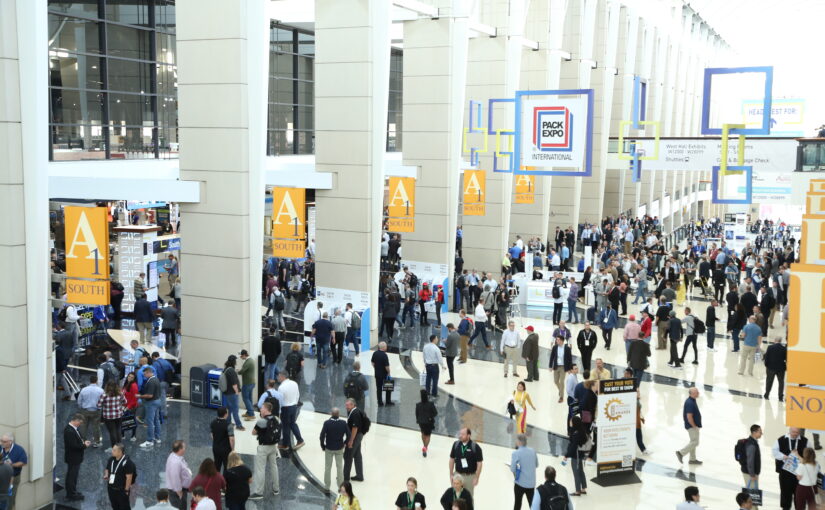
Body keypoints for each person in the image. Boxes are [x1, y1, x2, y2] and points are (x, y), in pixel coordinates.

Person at [772, 427, 807, 510]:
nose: (795, 434)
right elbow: (774, 452)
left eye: (797, 432)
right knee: (785, 492)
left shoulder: (805, 441)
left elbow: (810, 454)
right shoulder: (780, 440)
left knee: (799, 493)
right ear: (789, 431)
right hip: (785, 472)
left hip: (799, 473)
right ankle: (785, 508)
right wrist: (784, 457)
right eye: (793, 432)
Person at [63, 414, 91, 501]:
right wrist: (84, 445)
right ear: (76, 420)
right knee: (72, 476)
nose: (80, 424)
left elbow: (78, 438)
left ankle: (73, 491)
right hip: (73, 458)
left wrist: (84, 440)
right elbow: (74, 446)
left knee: (73, 476)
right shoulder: (69, 431)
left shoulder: (73, 429)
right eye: (80, 423)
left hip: (75, 457)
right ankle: (71, 494)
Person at [448, 428, 483, 496]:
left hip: (469, 476)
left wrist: (477, 477)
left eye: (463, 434)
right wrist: (451, 474)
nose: (460, 436)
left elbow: (479, 463)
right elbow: (452, 459)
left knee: (468, 497)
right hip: (457, 474)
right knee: (455, 495)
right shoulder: (456, 444)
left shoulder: (475, 447)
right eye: (460, 434)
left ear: (469, 435)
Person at [320, 407, 349, 489]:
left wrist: (323, 446)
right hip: (339, 448)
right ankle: (340, 486)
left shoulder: (327, 423)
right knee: (339, 467)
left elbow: (321, 436)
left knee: (328, 467)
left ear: (331, 414)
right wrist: (345, 443)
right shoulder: (343, 423)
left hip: (329, 448)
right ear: (338, 414)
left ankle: (327, 487)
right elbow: (349, 435)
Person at [103, 443, 136, 510]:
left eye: (114, 450)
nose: (112, 451)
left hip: (121, 490)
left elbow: (129, 477)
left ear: (120, 452)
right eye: (112, 450)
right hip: (111, 489)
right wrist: (106, 474)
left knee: (124, 507)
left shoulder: (128, 463)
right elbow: (107, 468)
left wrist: (126, 490)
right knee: (114, 506)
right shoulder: (111, 459)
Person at [277, 372, 305, 450]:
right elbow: (297, 395)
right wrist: (295, 404)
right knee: (293, 424)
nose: (278, 378)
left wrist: (279, 411)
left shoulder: (281, 387)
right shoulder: (294, 383)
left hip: (285, 408)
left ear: (283, 377)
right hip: (294, 406)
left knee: (285, 426)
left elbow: (280, 400)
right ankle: (300, 440)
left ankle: (285, 445)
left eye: (279, 376)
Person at [562, 415, 589, 496]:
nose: (570, 422)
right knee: (581, 471)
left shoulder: (575, 433)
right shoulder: (581, 430)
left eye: (571, 421)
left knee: (576, 472)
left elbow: (573, 446)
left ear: (574, 423)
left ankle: (578, 491)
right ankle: (583, 488)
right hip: (581, 454)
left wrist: (566, 455)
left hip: (576, 455)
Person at [510, 434, 537, 510]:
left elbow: (512, 469)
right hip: (531, 484)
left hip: (520, 484)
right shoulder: (533, 451)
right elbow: (536, 465)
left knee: (517, 504)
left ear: (519, 442)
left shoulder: (516, 453)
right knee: (532, 505)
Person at [675, 387, 702, 465]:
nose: (698, 393)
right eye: (697, 392)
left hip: (693, 425)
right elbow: (689, 416)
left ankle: (692, 459)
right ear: (692, 394)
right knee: (695, 442)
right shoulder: (690, 403)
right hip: (691, 426)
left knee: (693, 441)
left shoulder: (692, 400)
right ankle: (680, 453)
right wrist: (694, 426)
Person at [77, 375, 104, 447]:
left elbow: (79, 401)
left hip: (85, 410)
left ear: (90, 380)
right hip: (96, 411)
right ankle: (96, 442)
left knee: (83, 426)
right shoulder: (101, 390)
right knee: (96, 427)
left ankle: (82, 441)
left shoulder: (84, 389)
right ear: (96, 381)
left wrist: (81, 408)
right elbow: (103, 401)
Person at [0, 434, 26, 510]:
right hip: (3, 474)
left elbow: (23, 462)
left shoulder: (19, 449)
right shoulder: (0, 447)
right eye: (1, 440)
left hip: (14, 477)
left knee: (10, 498)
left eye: (4, 441)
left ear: (10, 442)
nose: (1, 443)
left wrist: (12, 465)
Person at [98, 380, 127, 449]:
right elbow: (125, 401)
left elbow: (99, 405)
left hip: (108, 417)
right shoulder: (120, 394)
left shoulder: (104, 395)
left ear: (107, 387)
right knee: (118, 430)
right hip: (118, 415)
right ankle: (120, 446)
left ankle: (114, 447)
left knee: (112, 432)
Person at [164, 440, 193, 510]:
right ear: (180, 449)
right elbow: (175, 478)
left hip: (178, 490)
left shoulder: (174, 456)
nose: (185, 449)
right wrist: (179, 492)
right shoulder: (175, 462)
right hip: (178, 492)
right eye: (184, 447)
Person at [219, 356, 244, 431]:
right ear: (234, 362)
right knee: (235, 410)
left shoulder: (226, 369)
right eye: (235, 361)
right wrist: (237, 392)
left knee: (228, 409)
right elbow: (234, 384)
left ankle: (228, 423)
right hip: (232, 394)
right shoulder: (231, 371)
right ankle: (239, 425)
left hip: (226, 393)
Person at [740, 424, 762, 502]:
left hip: (750, 472)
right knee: (752, 496)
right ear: (754, 432)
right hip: (750, 473)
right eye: (760, 432)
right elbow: (750, 461)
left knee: (753, 495)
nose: (761, 433)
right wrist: (752, 475)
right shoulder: (751, 444)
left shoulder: (753, 442)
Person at [549, 336, 573, 403]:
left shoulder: (567, 348)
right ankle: (560, 390)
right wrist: (550, 366)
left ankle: (561, 397)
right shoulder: (555, 347)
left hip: (563, 367)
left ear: (562, 341)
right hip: (556, 366)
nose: (557, 341)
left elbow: (570, 359)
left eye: (558, 340)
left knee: (562, 382)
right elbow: (552, 357)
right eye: (556, 340)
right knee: (556, 381)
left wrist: (570, 368)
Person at [210, 407, 234, 474]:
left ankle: (216, 481)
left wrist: (217, 440)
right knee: (227, 466)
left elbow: (212, 435)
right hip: (225, 449)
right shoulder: (229, 425)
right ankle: (225, 482)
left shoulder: (213, 422)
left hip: (216, 448)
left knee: (217, 465)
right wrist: (233, 449)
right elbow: (231, 439)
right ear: (225, 414)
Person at [416, 389, 438, 457]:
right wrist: (430, 417)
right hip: (429, 422)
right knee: (428, 435)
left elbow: (417, 414)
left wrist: (418, 420)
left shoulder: (418, 405)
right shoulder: (431, 404)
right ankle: (425, 447)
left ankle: (424, 446)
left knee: (423, 433)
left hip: (421, 422)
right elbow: (435, 413)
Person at [764, 337, 787, 401]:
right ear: (780, 341)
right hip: (781, 368)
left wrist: (766, 365)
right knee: (781, 382)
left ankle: (767, 395)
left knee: (769, 381)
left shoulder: (770, 347)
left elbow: (767, 357)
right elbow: (786, 359)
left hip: (770, 367)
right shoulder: (784, 349)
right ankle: (780, 397)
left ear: (775, 340)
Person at [371, 341, 393, 406]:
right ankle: (388, 401)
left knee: (379, 388)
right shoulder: (384, 355)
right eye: (386, 346)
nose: (386, 347)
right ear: (383, 347)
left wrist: (376, 367)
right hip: (384, 374)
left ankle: (380, 402)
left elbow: (372, 363)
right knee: (388, 387)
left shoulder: (375, 353)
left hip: (377, 374)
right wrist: (389, 372)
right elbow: (387, 366)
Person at [238, 349, 257, 421]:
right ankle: (249, 412)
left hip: (247, 383)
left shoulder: (247, 362)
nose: (240, 357)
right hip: (251, 383)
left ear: (244, 355)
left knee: (245, 398)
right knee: (249, 398)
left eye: (241, 356)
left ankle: (251, 414)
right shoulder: (250, 360)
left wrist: (237, 371)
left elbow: (241, 371)